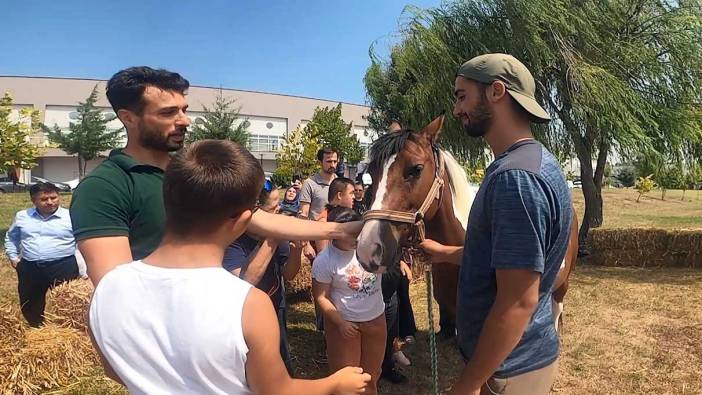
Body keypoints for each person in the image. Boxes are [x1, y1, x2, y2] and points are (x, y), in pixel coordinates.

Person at [88, 140, 370, 394]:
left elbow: (114, 371)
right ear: (244, 221)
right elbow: (276, 391)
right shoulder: (249, 305)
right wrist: (335, 383)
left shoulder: (108, 289)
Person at [70, 67, 359, 286]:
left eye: (183, 110)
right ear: (128, 118)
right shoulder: (104, 187)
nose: (184, 120)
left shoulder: (192, 172)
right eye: (168, 113)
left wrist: (341, 229)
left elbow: (260, 220)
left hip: (212, 312)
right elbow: (116, 288)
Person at [419, 54, 573, 395]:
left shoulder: (514, 179)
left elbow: (518, 301)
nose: (456, 110)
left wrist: (468, 384)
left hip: (508, 370)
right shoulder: (536, 160)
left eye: (462, 96)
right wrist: (444, 252)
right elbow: (507, 258)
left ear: (497, 92)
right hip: (517, 359)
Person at [223, 180, 303, 374]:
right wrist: (273, 237)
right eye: (274, 209)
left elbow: (289, 274)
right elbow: (245, 281)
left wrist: (296, 251)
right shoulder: (232, 240)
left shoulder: (274, 234)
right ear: (255, 212)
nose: (280, 212)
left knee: (280, 364)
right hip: (245, 317)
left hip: (276, 305)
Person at [312, 206, 386, 395]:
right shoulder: (325, 260)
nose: (356, 238)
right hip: (345, 325)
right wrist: (341, 323)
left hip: (376, 319)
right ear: (337, 233)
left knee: (371, 375)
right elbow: (321, 297)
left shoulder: (372, 249)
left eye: (358, 232)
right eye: (351, 234)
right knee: (346, 380)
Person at [4, 182, 79, 327]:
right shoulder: (22, 216)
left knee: (67, 302)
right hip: (30, 267)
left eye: (54, 197)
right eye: (44, 199)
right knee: (30, 302)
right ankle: (37, 328)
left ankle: (67, 330)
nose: (50, 202)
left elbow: (81, 241)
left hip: (63, 266)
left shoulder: (71, 216)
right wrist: (13, 257)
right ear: (34, 200)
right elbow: (11, 237)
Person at [379, 260, 413, 384]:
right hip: (371, 292)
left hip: (390, 291)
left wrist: (398, 262)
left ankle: (387, 368)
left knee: (391, 333)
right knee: (374, 337)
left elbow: (389, 249)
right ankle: (371, 372)